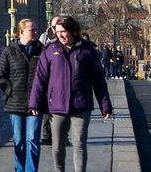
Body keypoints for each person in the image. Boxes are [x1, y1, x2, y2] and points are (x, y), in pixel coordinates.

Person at [29, 15, 112, 172]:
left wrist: (105, 105)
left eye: (63, 31)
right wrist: (35, 102)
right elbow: (40, 78)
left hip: (81, 105)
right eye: (57, 32)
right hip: (57, 106)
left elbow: (98, 80)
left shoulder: (86, 50)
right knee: (58, 145)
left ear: (73, 31)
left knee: (79, 143)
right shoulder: (50, 49)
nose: (60, 35)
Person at [0, 18, 45, 172]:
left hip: (35, 103)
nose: (36, 32)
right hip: (15, 102)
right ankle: (20, 169)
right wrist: (9, 91)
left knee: (33, 140)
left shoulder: (42, 50)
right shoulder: (9, 51)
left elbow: (47, 75)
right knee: (19, 141)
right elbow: (1, 75)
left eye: (36, 29)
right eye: (32, 30)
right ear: (21, 32)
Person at [37, 16, 62, 146]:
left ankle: (62, 134)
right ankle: (47, 134)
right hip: (48, 77)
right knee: (47, 109)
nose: (55, 28)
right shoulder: (44, 37)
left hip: (61, 78)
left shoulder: (65, 37)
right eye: (53, 25)